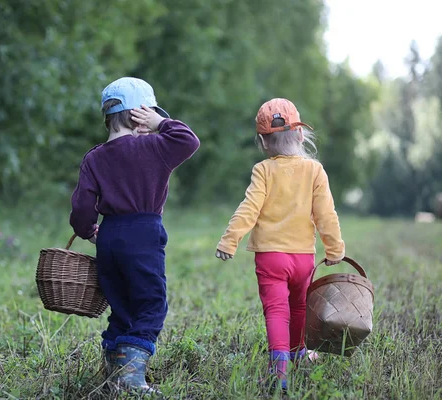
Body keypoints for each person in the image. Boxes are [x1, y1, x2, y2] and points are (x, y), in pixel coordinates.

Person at [70, 77, 200, 392]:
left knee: (122, 305)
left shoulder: (94, 157)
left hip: (110, 237)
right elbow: (189, 140)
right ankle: (129, 376)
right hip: (143, 233)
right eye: (148, 114)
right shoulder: (154, 146)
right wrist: (162, 122)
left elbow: (82, 206)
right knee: (151, 304)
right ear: (136, 117)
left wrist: (88, 231)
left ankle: (114, 371)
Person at [215, 98, 345, 392]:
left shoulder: (263, 170)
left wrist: (230, 240)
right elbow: (326, 214)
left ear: (262, 141)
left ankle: (280, 372)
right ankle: (298, 351)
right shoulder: (315, 171)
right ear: (300, 134)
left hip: (270, 257)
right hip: (303, 259)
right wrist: (335, 248)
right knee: (300, 306)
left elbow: (249, 207)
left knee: (276, 311)